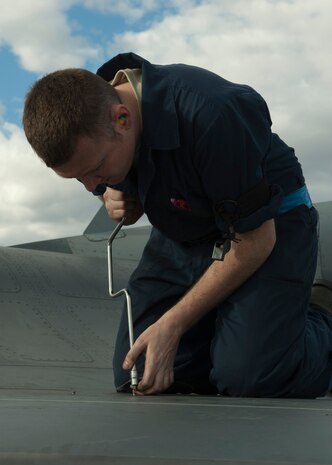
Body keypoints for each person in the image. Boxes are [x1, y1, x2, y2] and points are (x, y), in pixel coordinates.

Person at [23, 52, 332, 398]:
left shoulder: (214, 113)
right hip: (184, 228)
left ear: (122, 118)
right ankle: (246, 334)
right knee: (139, 370)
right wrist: (111, 192)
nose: (91, 185)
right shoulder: (94, 108)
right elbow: (110, 176)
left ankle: (319, 320)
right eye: (78, 178)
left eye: (95, 169)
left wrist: (174, 324)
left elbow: (255, 240)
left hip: (267, 225)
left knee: (251, 378)